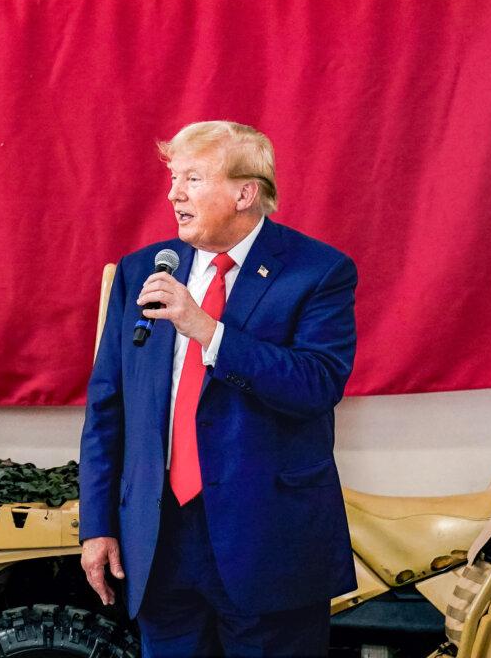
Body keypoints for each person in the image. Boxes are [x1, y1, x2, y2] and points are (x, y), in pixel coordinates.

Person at [79, 120, 357, 657]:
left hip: (268, 542)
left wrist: (208, 332)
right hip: (157, 540)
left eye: (193, 178)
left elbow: (316, 384)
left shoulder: (318, 271)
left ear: (244, 192)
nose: (173, 193)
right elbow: (108, 408)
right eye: (173, 178)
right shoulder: (142, 272)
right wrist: (97, 525)